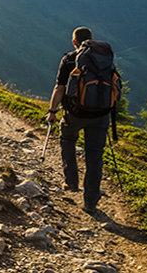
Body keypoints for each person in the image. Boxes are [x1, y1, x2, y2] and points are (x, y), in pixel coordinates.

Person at [48, 26, 116, 213]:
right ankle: (91, 201)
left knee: (68, 140)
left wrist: (52, 110)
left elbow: (60, 88)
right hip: (101, 115)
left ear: (74, 42)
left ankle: (71, 182)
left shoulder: (70, 59)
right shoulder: (105, 60)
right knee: (95, 155)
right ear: (91, 40)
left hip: (76, 114)